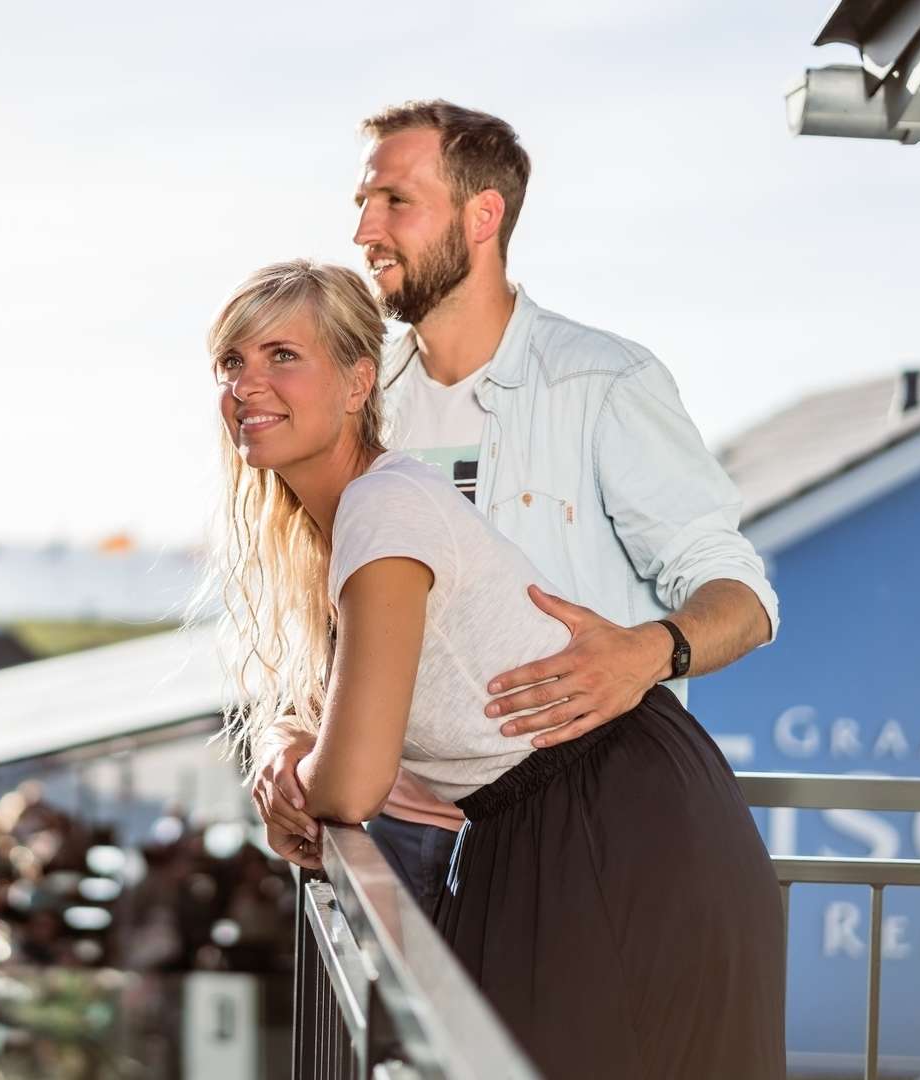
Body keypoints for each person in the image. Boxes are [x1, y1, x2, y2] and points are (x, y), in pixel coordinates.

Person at [207, 260, 784, 1077]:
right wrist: (284, 746)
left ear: (357, 381)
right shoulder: (355, 516)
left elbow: (351, 784)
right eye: (232, 363)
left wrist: (309, 772)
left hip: (614, 825)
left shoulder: (382, 508)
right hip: (542, 822)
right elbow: (329, 711)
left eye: (281, 356)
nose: (248, 383)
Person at [249, 101, 780, 915]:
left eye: (396, 201)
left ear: (482, 215)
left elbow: (741, 598)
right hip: (384, 835)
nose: (366, 232)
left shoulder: (604, 383)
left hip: (577, 832)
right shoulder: (354, 392)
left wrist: (648, 652)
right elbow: (314, 599)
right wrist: (286, 733)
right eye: (362, 204)